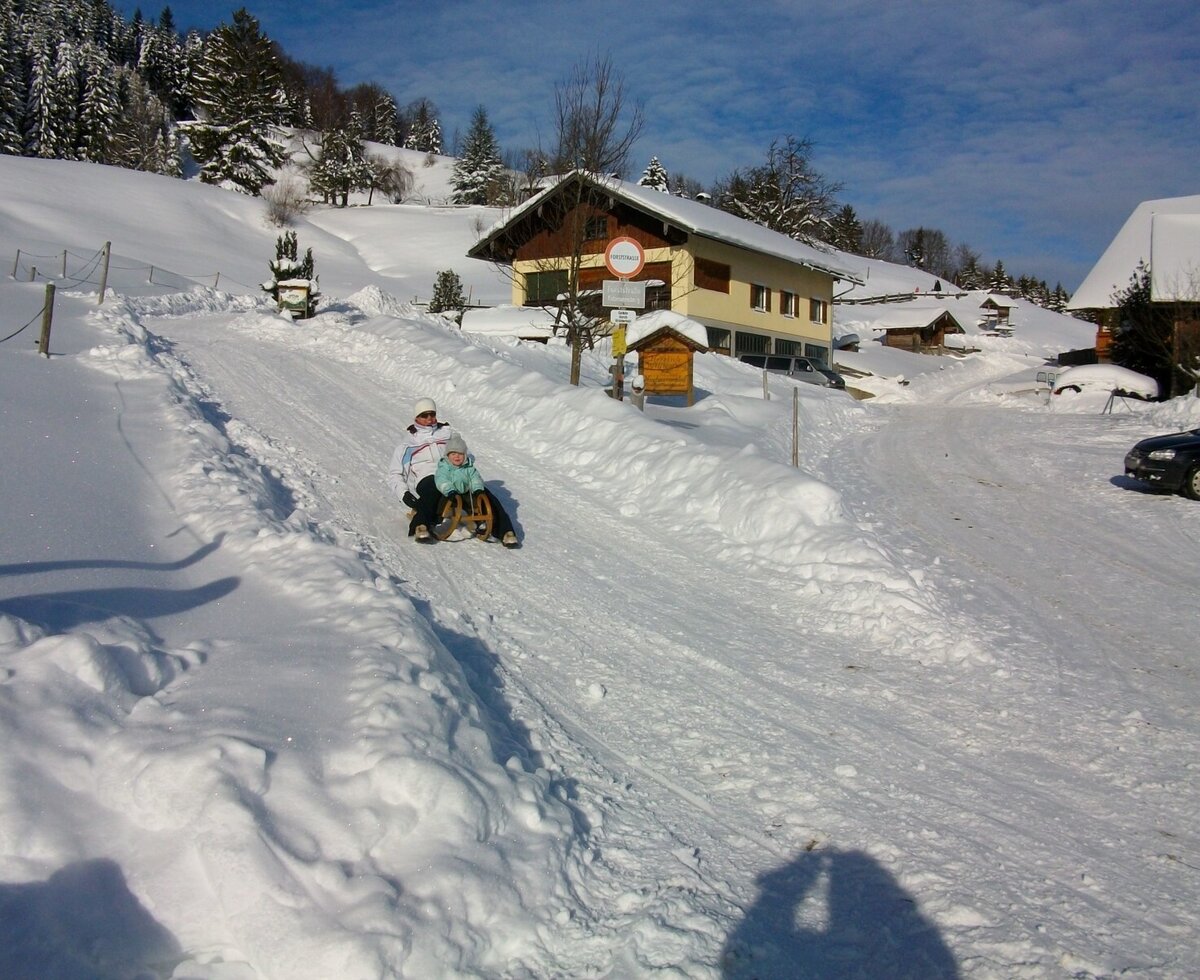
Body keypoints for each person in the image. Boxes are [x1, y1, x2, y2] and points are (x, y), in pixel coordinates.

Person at [435, 433, 520, 548]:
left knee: (480, 502)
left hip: (466, 493)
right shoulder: (444, 467)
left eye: (460, 454)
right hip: (450, 494)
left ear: (465, 455)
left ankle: (481, 523)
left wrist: (478, 489)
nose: (457, 457)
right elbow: (442, 480)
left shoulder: (469, 467)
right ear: (447, 456)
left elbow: (475, 478)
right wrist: (449, 490)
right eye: (453, 454)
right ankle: (434, 522)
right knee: (440, 506)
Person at [388, 397, 453, 542]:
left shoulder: (447, 434)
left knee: (481, 490)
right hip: (427, 478)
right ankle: (421, 524)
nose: (429, 418)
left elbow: (465, 454)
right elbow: (395, 474)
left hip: (451, 474)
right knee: (434, 487)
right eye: (424, 415)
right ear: (416, 417)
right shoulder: (408, 444)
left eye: (432, 414)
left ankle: (505, 530)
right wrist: (404, 494)